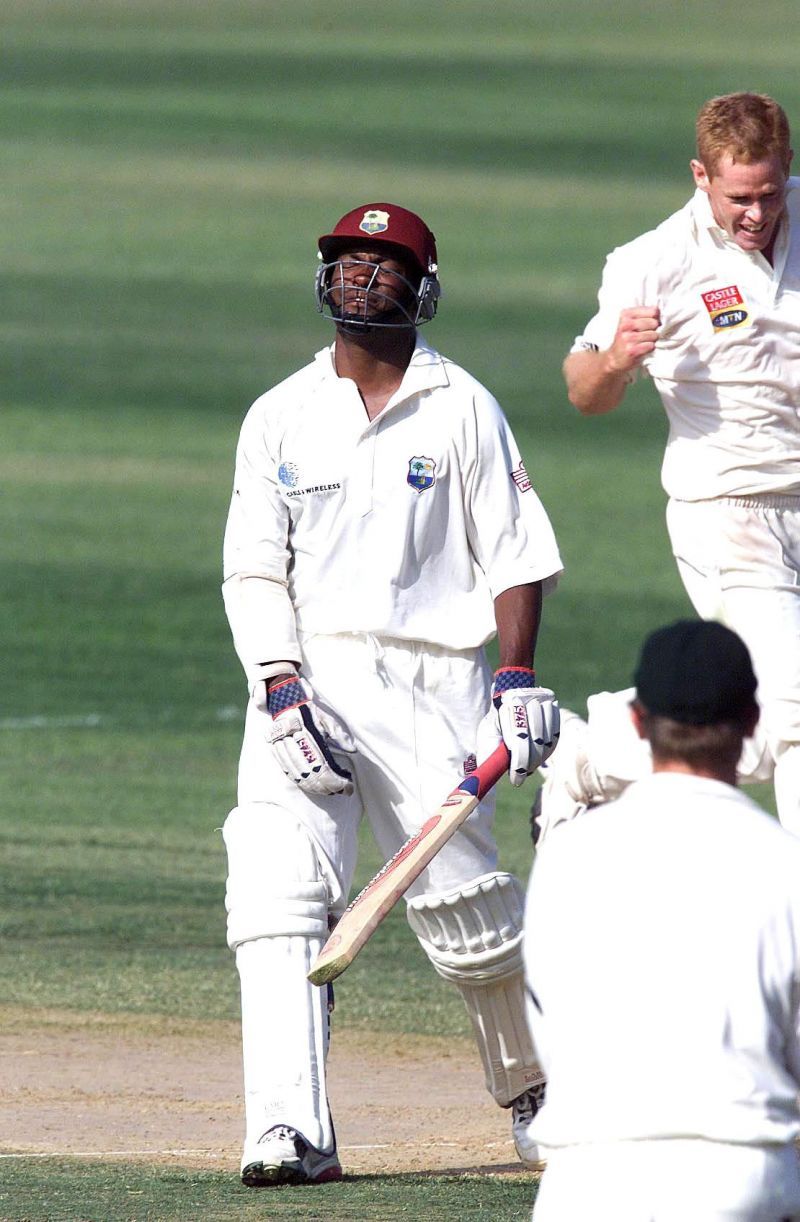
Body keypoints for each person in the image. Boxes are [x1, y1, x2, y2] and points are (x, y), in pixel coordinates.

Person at [220, 201, 563, 1186]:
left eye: (385, 264)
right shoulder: (279, 413)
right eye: (348, 262)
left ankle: (537, 1094)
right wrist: (278, 685)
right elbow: (254, 569)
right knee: (277, 889)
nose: (363, 276)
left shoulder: (463, 406)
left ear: (423, 286)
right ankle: (289, 1127)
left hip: (432, 677)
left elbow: (513, 554)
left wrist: (513, 676)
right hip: (308, 678)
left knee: (469, 914)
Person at [561, 91, 800, 833]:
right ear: (701, 175)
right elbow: (583, 394)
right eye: (738, 198)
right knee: (795, 709)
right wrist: (614, 360)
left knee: (761, 728)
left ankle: (595, 753)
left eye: (767, 193)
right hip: (730, 515)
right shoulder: (653, 262)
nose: (755, 215)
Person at [524, 619, 800, 1222]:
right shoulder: (786, 866)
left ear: (637, 723)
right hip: (738, 1177)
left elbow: (549, 1019)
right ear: (754, 724)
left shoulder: (567, 858)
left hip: (586, 1180)